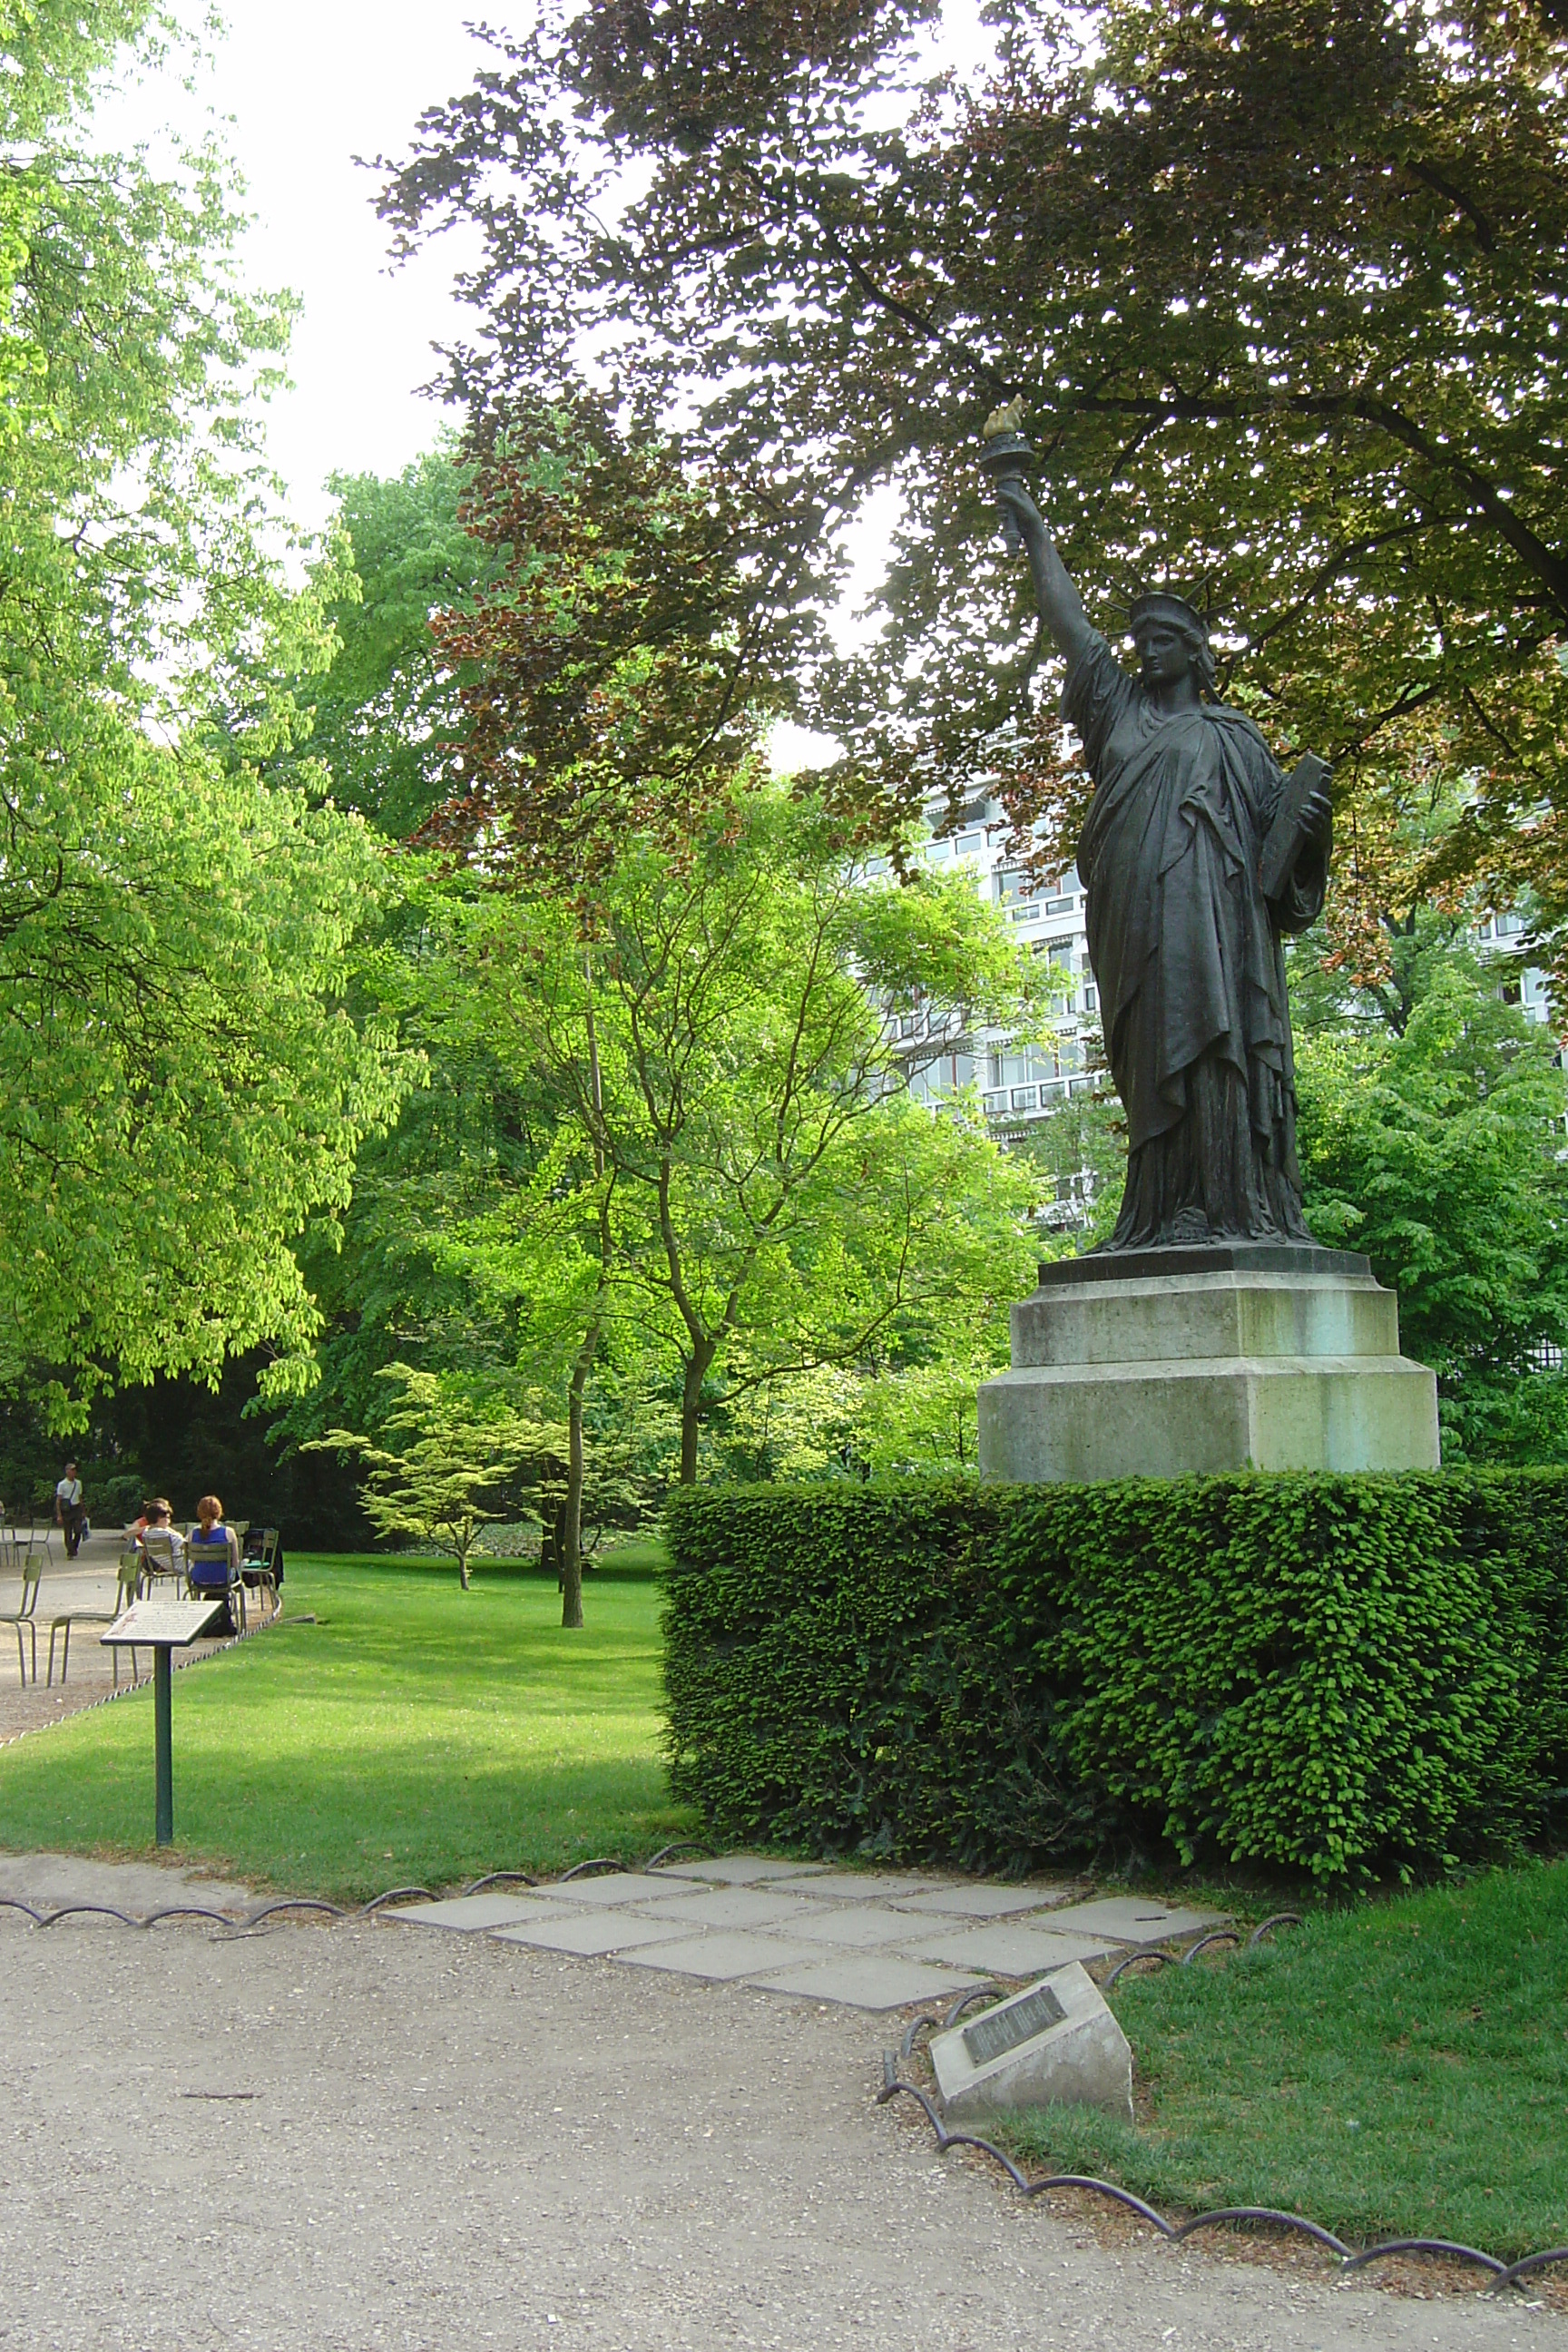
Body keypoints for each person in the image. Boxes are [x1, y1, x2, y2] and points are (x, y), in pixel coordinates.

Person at [993, 472, 1334, 1250]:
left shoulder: (1236, 738)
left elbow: (1284, 878)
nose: (1145, 650)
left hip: (1219, 927)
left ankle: (1230, 1208)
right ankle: (1157, 1212)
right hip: (1132, 918)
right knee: (1150, 1057)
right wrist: (1037, 534)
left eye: (1161, 639)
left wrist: (1312, 830)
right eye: (1139, 639)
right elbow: (1070, 626)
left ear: (1195, 652)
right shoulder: (1117, 710)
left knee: (1217, 1045)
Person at [54, 1463, 86, 1559]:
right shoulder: (62, 1484)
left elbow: (80, 1497)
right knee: (67, 1532)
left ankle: (74, 1547)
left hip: (76, 1508)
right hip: (67, 1509)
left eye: (74, 1470)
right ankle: (70, 1551)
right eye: (71, 1470)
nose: (73, 1472)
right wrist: (59, 1514)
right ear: (67, 1472)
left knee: (78, 1530)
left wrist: (83, 1510)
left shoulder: (78, 1483)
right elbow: (58, 1500)